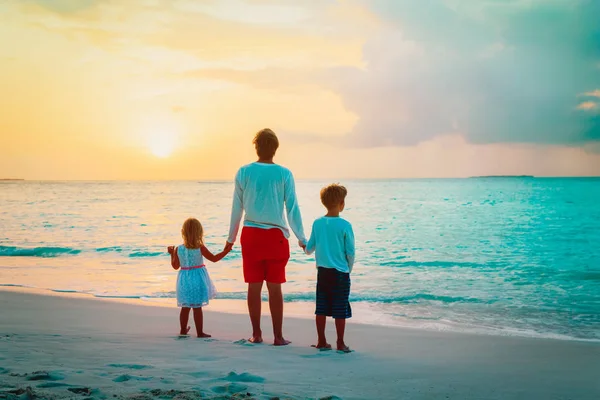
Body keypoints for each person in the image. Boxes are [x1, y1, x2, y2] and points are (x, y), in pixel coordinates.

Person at [226, 128, 306, 346]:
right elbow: (292, 208)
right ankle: (278, 337)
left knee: (253, 285)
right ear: (275, 149)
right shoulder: (284, 174)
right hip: (276, 236)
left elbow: (237, 209)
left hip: (251, 235)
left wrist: (230, 240)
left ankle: (257, 334)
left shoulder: (244, 172)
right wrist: (302, 237)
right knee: (275, 287)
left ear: (256, 147)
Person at [305, 184, 355, 353]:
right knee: (340, 308)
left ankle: (321, 341)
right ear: (342, 203)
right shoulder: (345, 225)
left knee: (321, 307)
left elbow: (309, 249)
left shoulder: (317, 223)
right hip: (340, 273)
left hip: (323, 273)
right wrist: (348, 269)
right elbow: (350, 251)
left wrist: (303, 244)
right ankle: (340, 343)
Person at [168, 217, 230, 338]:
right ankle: (200, 332)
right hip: (198, 279)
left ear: (183, 232)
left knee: (185, 307)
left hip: (184, 280)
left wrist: (171, 255)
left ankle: (183, 330)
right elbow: (214, 258)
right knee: (197, 307)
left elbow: (175, 266)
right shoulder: (200, 247)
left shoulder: (178, 249)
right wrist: (226, 251)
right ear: (199, 232)